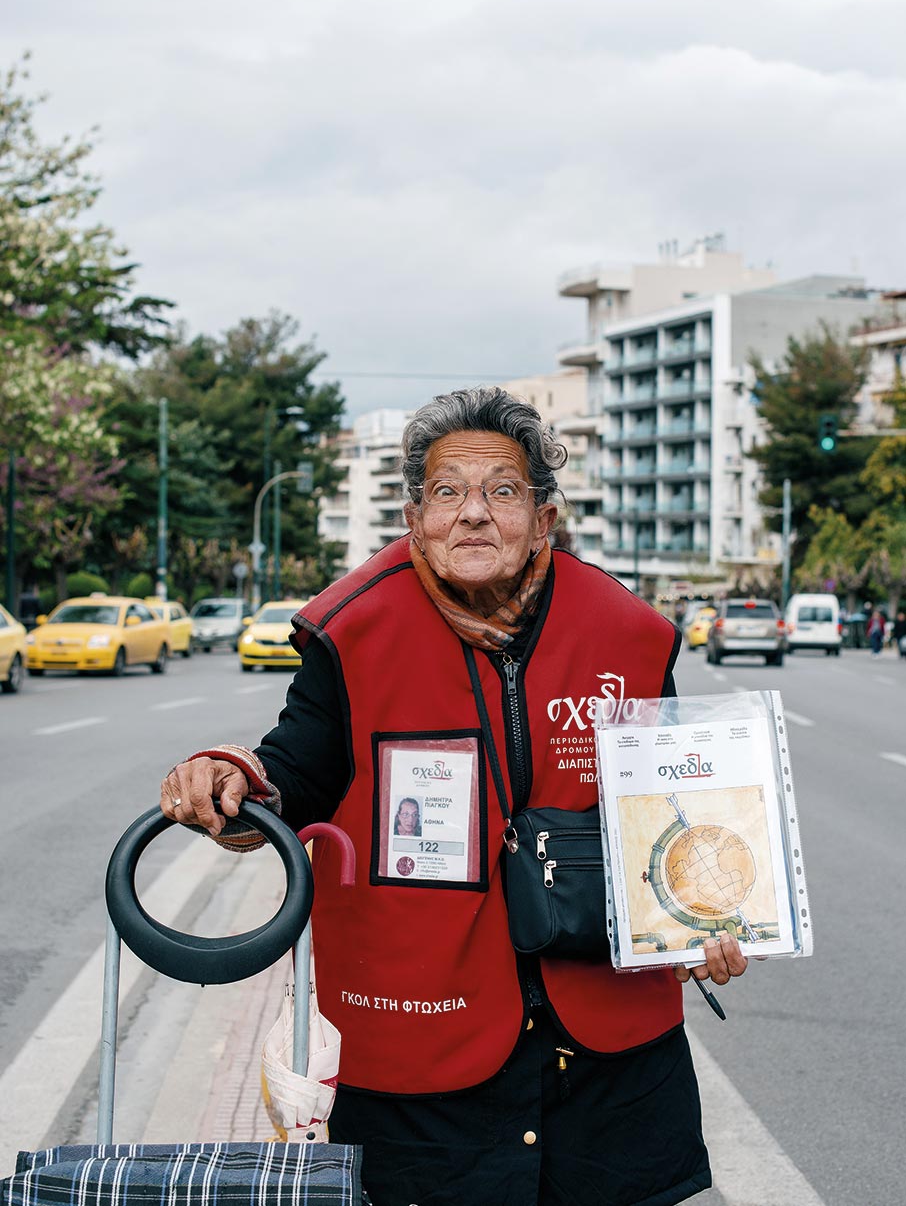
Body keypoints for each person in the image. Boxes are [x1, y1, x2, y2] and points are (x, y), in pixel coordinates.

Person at [161, 386, 748, 1206]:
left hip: (608, 1057)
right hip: (418, 1042)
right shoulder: (354, 628)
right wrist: (232, 781)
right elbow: (291, 773)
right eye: (446, 492)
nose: (473, 514)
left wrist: (707, 923)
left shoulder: (628, 631)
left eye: (502, 491)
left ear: (544, 519)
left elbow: (679, 815)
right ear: (414, 517)